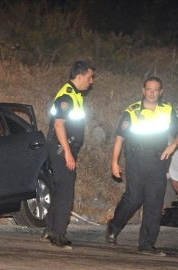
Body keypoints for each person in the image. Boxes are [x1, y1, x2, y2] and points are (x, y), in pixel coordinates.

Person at [107, 76, 178, 257]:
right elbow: (119, 138)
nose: (152, 93)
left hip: (158, 160)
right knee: (133, 198)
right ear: (143, 91)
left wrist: (173, 145)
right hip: (136, 159)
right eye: (149, 89)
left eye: (156, 90)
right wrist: (114, 162)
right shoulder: (132, 111)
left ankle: (147, 244)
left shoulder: (168, 110)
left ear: (161, 92)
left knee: (154, 202)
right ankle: (114, 226)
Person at [42, 60, 95, 249]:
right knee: (66, 192)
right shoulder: (66, 97)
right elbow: (59, 125)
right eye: (90, 77)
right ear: (79, 76)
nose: (92, 81)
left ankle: (50, 227)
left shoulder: (74, 95)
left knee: (59, 189)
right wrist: (67, 153)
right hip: (62, 148)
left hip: (64, 147)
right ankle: (58, 234)